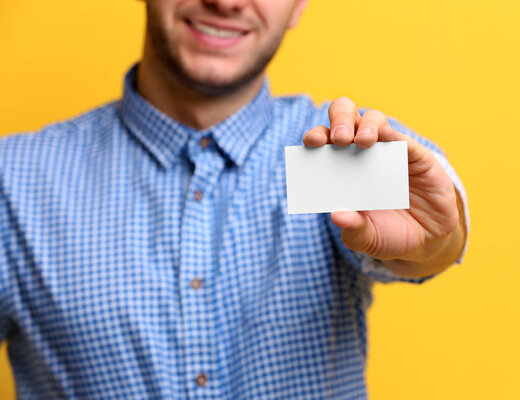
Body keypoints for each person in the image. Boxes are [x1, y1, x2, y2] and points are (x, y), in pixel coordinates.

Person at [0, 0, 469, 398]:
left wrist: (433, 242)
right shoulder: (13, 180)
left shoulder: (332, 152)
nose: (226, 1)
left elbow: (429, 240)